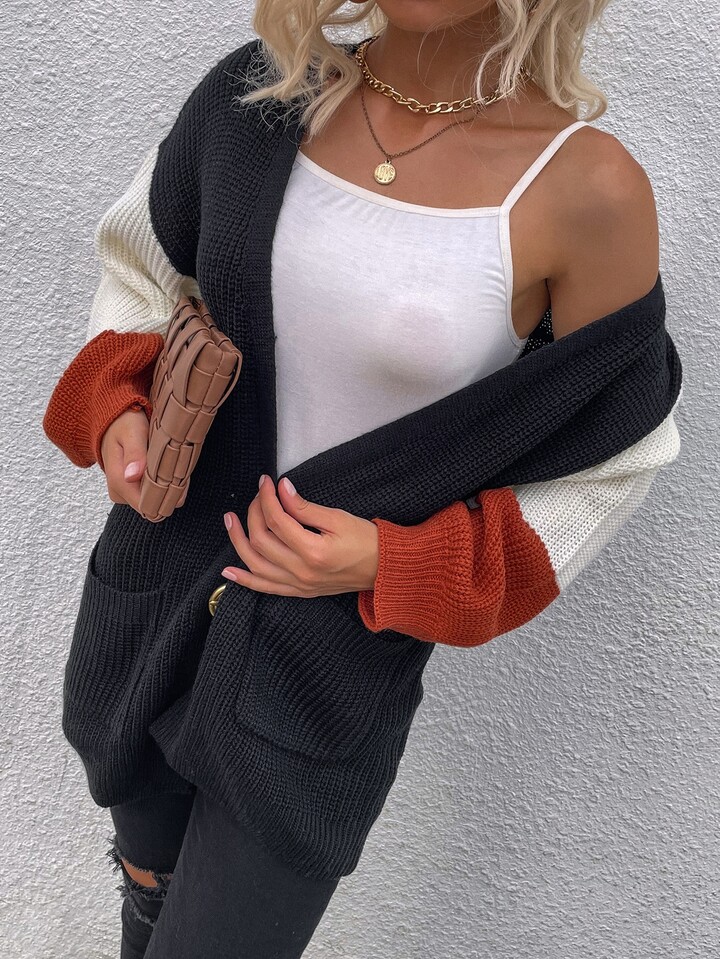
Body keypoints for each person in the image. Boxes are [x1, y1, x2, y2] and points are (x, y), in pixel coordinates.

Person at [42, 1, 680, 956]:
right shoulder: (256, 97)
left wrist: (399, 560)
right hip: (148, 609)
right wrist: (117, 410)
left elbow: (613, 456)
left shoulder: (588, 190)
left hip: (317, 680)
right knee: (144, 892)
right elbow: (146, 266)